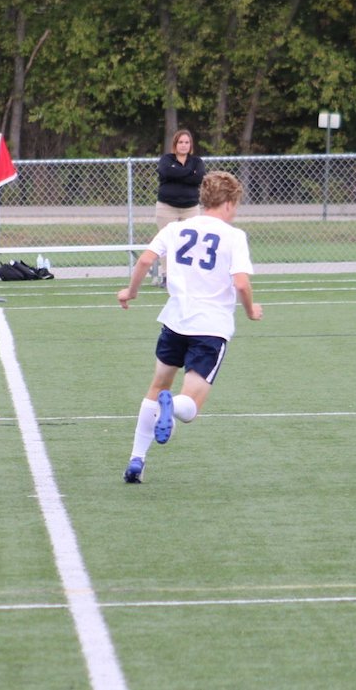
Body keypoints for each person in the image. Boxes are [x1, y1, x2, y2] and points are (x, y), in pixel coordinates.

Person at [117, 171, 262, 483]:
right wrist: (251, 311)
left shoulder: (175, 228)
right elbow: (241, 283)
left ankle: (136, 459)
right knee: (191, 405)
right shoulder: (234, 236)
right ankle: (172, 406)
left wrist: (131, 291)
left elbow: (145, 261)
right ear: (228, 203)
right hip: (210, 327)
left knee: (157, 387)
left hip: (175, 321)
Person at [153, 129, 207, 287]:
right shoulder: (166, 159)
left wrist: (177, 173)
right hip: (166, 207)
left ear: (191, 145)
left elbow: (198, 178)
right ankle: (167, 275)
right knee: (167, 241)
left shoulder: (197, 161)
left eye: (187, 142)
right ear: (175, 144)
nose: (184, 145)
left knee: (191, 242)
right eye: (181, 142)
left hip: (190, 208)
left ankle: (188, 275)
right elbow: (166, 172)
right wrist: (188, 173)